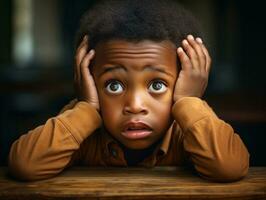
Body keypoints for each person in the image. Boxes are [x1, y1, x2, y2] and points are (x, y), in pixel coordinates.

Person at [8, 0, 249, 182]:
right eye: (114, 85)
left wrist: (188, 101)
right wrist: (86, 107)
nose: (134, 105)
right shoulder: (82, 126)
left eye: (157, 85)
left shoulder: (187, 128)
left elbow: (229, 167)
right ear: (89, 82)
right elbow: (25, 165)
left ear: (185, 82)